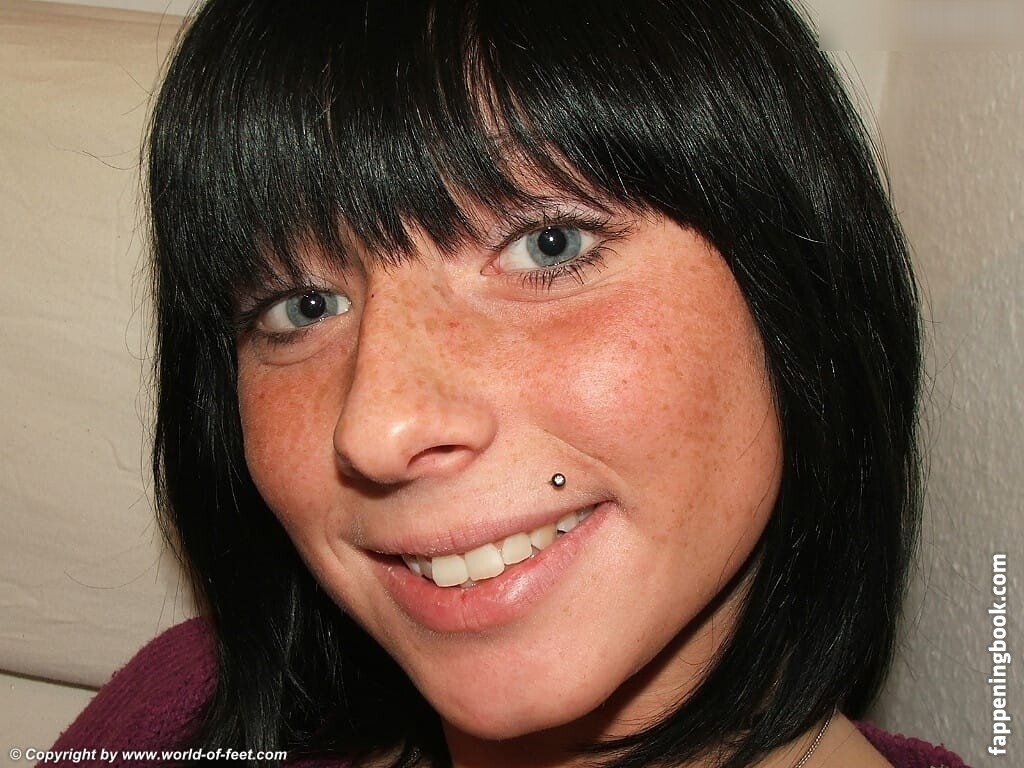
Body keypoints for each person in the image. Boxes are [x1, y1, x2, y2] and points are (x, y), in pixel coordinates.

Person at [50, 1, 969, 767]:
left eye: (547, 244)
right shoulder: (181, 713)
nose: (377, 426)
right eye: (303, 305)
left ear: (798, 296)